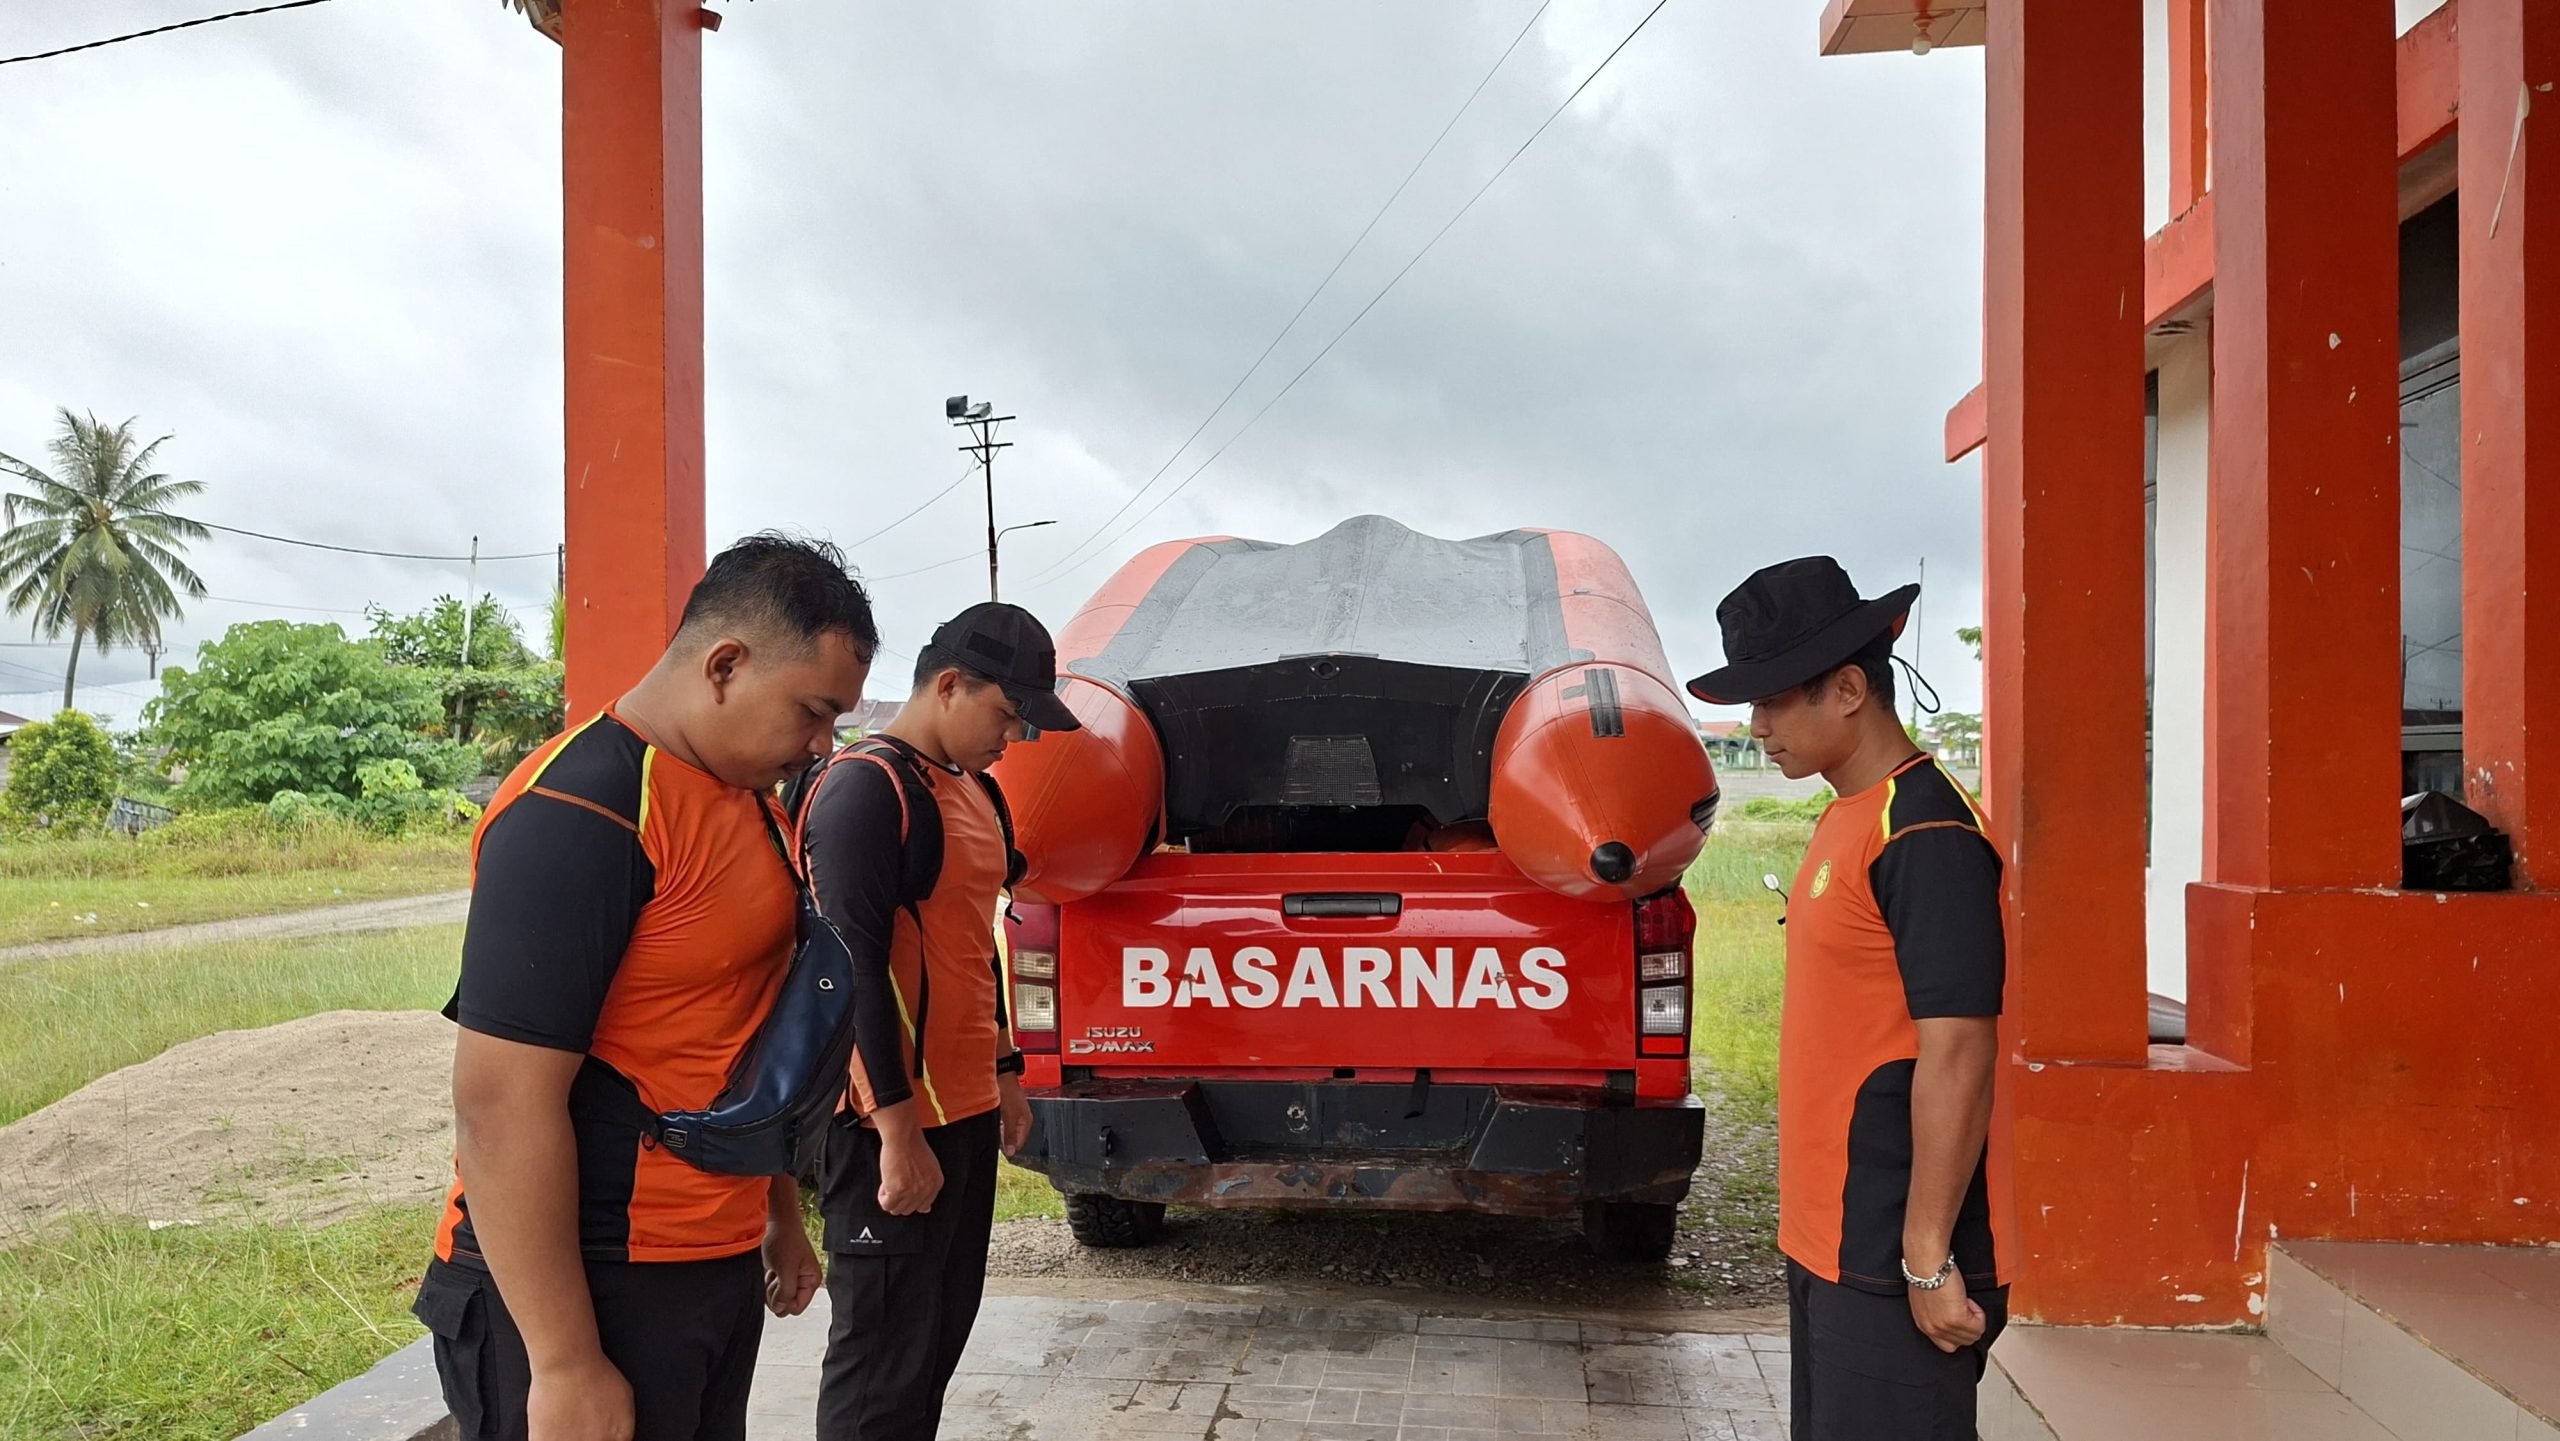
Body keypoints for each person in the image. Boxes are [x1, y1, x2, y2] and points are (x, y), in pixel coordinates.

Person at [413, 532, 878, 1441]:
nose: (823, 743)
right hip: (588, 1279)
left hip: (707, 1259)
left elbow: (743, 1035)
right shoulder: (581, 809)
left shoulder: (746, 801)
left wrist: (777, 1213)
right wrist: (564, 1360)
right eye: (814, 711)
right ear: (725, 666)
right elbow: (500, 1103)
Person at [1687, 557, 2012, 1441]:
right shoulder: (1849, 813)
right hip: (1832, 1239)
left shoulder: (1927, 831)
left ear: (1848, 688)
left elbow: (1961, 1051)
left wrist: (1926, 1255)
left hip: (1891, 1250)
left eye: (1770, 701)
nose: (1756, 727)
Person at [796, 602, 1079, 1441]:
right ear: (950, 684)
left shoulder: (975, 791)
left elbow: (969, 943)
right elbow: (850, 964)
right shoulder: (863, 790)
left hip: (963, 1114)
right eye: (1007, 712)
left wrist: (1005, 1072)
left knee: (933, 1345)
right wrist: (895, 1128)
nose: (1014, 736)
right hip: (887, 1123)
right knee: (879, 1360)